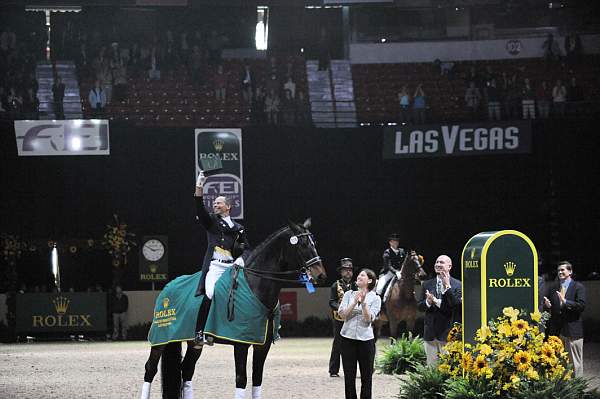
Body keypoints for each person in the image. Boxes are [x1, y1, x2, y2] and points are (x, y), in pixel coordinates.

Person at [193, 171, 251, 347]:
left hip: (232, 267)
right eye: (215, 203)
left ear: (228, 207)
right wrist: (199, 187)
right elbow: (200, 209)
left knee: (246, 295)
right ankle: (200, 332)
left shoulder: (238, 228)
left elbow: (247, 249)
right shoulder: (211, 223)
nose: (215, 205)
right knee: (211, 293)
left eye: (219, 203)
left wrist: (241, 260)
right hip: (216, 267)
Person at [337, 268, 381, 399]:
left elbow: (369, 319)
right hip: (347, 339)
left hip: (366, 341)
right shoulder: (348, 294)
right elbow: (342, 315)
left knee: (366, 377)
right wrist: (354, 302)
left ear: (370, 280)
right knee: (349, 377)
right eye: (359, 275)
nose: (359, 277)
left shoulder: (376, 298)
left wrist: (363, 303)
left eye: (363, 275)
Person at [543, 261, 586, 378]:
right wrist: (548, 306)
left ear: (570, 272)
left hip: (573, 330)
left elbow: (581, 306)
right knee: (558, 361)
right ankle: (563, 389)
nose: (560, 272)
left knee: (574, 362)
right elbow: (548, 305)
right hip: (556, 331)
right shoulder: (553, 288)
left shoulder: (578, 287)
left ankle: (577, 389)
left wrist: (566, 302)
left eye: (563, 270)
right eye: (558, 270)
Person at [417, 255, 462, 366]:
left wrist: (447, 288)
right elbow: (419, 307)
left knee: (449, 370)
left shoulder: (457, 284)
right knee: (432, 370)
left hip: (448, 335)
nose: (438, 264)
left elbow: (456, 306)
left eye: (441, 262)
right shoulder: (427, 284)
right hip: (430, 335)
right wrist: (427, 302)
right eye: (437, 262)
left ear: (449, 266)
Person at [328, 258, 356, 378]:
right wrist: (340, 308)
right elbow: (331, 302)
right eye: (345, 270)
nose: (348, 272)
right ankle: (333, 370)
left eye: (350, 270)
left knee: (354, 344)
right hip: (339, 318)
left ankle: (353, 369)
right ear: (341, 272)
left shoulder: (356, 285)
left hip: (353, 318)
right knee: (338, 343)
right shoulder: (336, 285)